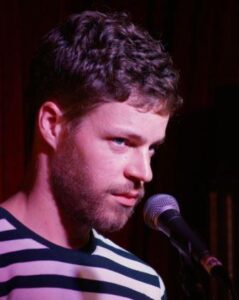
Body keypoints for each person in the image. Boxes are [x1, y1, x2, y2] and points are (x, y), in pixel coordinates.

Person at [0, 10, 181, 299]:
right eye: (121, 141)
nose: (144, 172)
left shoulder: (145, 286)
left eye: (152, 148)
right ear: (52, 125)